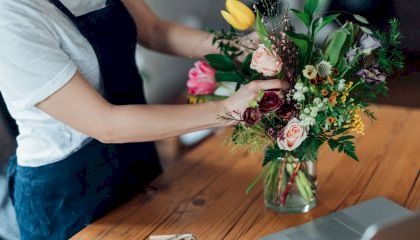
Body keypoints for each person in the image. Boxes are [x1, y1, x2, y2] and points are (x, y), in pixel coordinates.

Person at [0, 0, 289, 239]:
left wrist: (236, 47)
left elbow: (153, 30)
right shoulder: (10, 17)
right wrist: (228, 109)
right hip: (69, 193)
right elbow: (105, 124)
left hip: (134, 157)